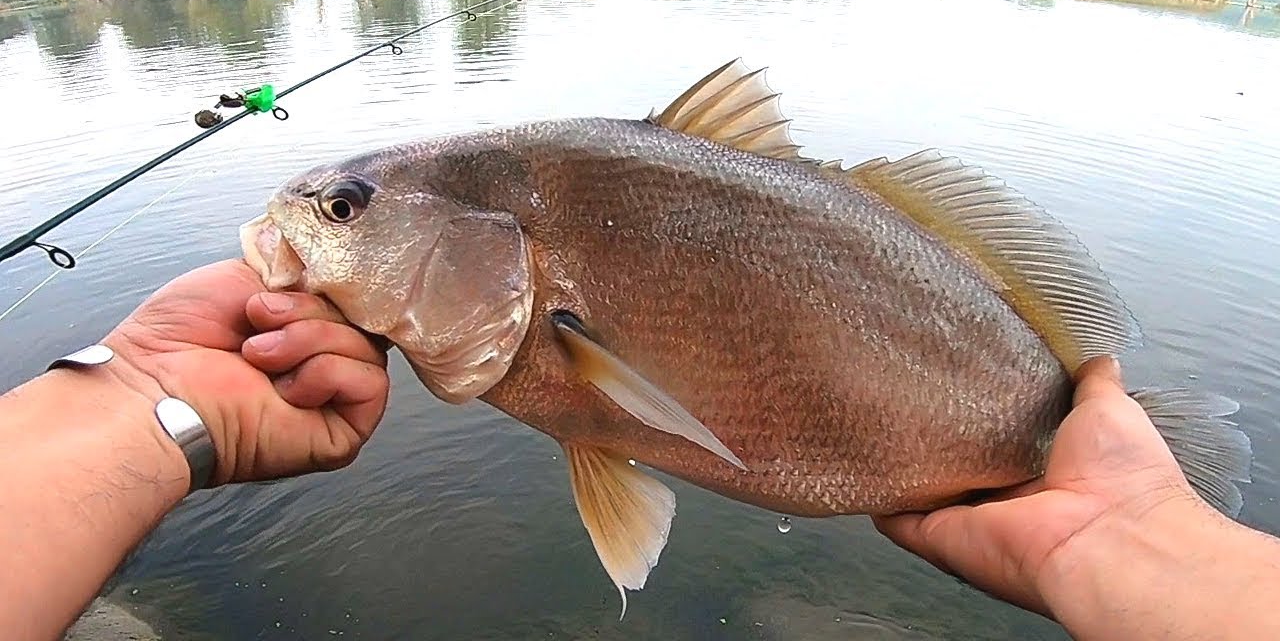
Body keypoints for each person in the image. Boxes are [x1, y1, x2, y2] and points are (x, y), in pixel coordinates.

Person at [2, 261, 1278, 640]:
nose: (309, 238)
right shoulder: (545, 354)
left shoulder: (552, 330)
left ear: (493, 253)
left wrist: (120, 410)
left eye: (345, 216)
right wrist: (149, 401)